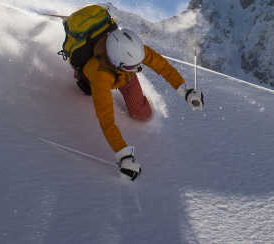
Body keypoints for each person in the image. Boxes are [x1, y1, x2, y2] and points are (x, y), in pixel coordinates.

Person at [78, 27, 204, 180]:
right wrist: (124, 155)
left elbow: (162, 66)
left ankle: (124, 76)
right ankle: (80, 76)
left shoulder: (134, 50)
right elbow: (106, 121)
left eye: (139, 64)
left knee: (143, 114)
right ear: (116, 62)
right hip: (98, 78)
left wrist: (185, 91)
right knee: (87, 91)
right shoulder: (100, 76)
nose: (138, 69)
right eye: (133, 66)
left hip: (123, 77)